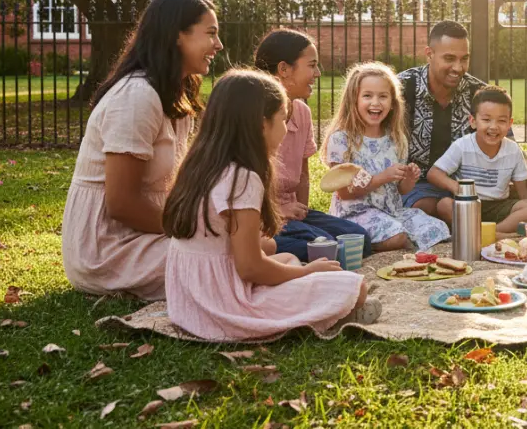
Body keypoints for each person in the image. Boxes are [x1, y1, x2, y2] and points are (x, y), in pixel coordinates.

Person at [162, 70, 377, 342]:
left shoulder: (199, 167)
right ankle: (334, 309)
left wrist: (288, 264)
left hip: (189, 302)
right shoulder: (242, 178)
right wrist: (306, 272)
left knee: (285, 258)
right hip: (224, 306)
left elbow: (235, 246)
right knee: (353, 286)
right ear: (261, 124)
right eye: (283, 119)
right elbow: (250, 268)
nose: (286, 129)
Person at [61, 0, 223, 301]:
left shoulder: (175, 96)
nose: (219, 44)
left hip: (146, 234)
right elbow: (122, 204)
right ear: (177, 35)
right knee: (225, 260)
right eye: (211, 33)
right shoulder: (137, 97)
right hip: (108, 249)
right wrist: (191, 230)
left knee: (240, 247)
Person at [398, 21, 527, 217]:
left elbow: (509, 145)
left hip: (472, 185)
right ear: (429, 54)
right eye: (449, 58)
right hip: (418, 184)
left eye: (464, 59)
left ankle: (478, 225)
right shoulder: (402, 89)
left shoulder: (478, 94)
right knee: (425, 209)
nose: (458, 67)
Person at [253, 29, 371, 261]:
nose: (318, 73)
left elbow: (303, 174)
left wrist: (302, 217)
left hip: (291, 211)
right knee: (326, 246)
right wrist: (277, 212)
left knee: (359, 239)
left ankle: (307, 243)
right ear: (284, 69)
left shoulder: (302, 112)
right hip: (256, 217)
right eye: (312, 65)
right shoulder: (254, 115)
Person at [323, 62, 449, 251]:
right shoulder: (342, 140)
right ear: (353, 100)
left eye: (383, 96)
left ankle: (409, 244)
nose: (376, 103)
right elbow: (344, 193)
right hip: (356, 214)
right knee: (396, 236)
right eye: (367, 96)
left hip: (392, 212)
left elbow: (400, 190)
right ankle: (369, 243)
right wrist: (383, 177)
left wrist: (409, 179)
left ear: (392, 103)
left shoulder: (396, 139)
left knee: (437, 227)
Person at [427, 86, 527, 233]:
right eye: (486, 120)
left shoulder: (512, 150)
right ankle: (485, 233)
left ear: (509, 124)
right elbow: (434, 174)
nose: (493, 127)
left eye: (501, 121)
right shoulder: (462, 146)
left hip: (499, 206)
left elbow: (522, 191)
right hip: (468, 205)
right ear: (473, 121)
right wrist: (457, 187)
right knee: (444, 205)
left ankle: (490, 233)